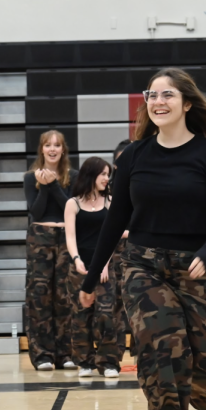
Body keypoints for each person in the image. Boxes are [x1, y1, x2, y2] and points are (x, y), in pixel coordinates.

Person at [79, 67, 206, 410]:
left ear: (186, 103)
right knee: (160, 348)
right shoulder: (133, 156)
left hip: (198, 265)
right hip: (142, 264)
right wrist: (90, 277)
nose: (158, 102)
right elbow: (115, 220)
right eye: (152, 95)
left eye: (167, 95)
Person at [24, 130, 77, 370]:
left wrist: (53, 183)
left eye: (57, 145)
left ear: (63, 150)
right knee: (40, 296)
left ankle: (66, 353)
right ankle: (42, 355)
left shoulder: (73, 176)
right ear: (42, 149)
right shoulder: (29, 177)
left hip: (67, 236)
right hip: (40, 237)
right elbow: (35, 212)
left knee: (65, 295)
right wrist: (43, 185)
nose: (53, 149)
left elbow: (69, 206)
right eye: (48, 145)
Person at [64, 156, 120, 378]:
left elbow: (113, 236)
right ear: (91, 174)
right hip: (80, 267)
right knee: (80, 315)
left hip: (105, 267)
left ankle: (108, 363)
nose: (107, 178)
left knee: (106, 315)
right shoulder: (73, 203)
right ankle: (84, 361)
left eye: (108, 174)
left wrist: (104, 263)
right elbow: (70, 236)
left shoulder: (110, 202)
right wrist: (76, 259)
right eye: (103, 174)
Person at [110, 139, 133, 357]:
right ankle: (113, 355)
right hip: (114, 251)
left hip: (138, 248)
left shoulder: (143, 184)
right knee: (114, 302)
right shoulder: (109, 187)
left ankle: (141, 351)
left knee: (140, 300)